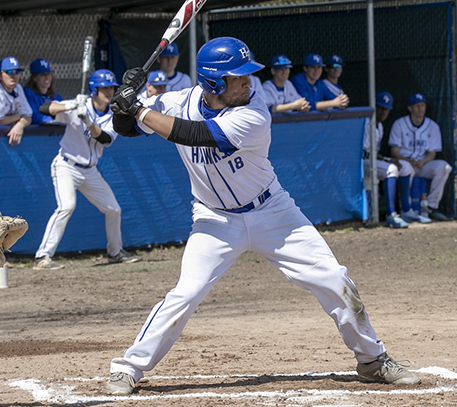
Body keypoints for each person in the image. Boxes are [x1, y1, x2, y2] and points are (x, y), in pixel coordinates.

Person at [105, 37, 420, 395]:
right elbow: (125, 128)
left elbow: (194, 134)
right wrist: (124, 103)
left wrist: (138, 107)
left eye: (247, 75)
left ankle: (372, 359)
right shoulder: (177, 101)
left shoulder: (255, 112)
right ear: (212, 83)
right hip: (215, 220)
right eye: (237, 78)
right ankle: (128, 368)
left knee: (334, 279)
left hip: (274, 212)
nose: (248, 82)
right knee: (186, 292)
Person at [33, 69, 138, 270]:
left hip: (90, 171)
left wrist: (88, 122)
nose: (108, 92)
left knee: (113, 209)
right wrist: (70, 105)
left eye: (111, 87)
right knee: (66, 207)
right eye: (104, 88)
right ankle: (42, 257)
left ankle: (115, 253)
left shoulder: (113, 115)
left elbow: (105, 139)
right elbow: (44, 109)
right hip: (66, 165)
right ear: (94, 89)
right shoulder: (78, 106)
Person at [389, 92, 452, 222]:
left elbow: (432, 153)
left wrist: (423, 161)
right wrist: (408, 161)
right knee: (405, 167)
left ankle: (431, 206)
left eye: (423, 105)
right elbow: (394, 151)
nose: (421, 109)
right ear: (409, 108)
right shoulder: (399, 124)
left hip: (422, 164)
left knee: (444, 167)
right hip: (405, 163)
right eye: (417, 106)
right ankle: (405, 208)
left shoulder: (433, 126)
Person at [363, 92, 410, 228]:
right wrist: (387, 159)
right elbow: (365, 152)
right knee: (391, 170)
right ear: (375, 107)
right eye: (380, 108)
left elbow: (374, 153)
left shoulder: (380, 127)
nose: (383, 112)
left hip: (370, 161)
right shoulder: (367, 122)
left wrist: (386, 159)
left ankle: (407, 209)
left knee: (403, 167)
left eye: (386, 109)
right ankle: (391, 214)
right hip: (361, 161)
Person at [0, 56, 33, 146]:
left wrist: (20, 126)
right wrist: (19, 116)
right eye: (9, 72)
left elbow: (28, 117)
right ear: (0, 75)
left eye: (17, 72)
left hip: (9, 135)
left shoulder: (18, 88)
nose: (13, 76)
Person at [23, 58, 63, 124]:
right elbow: (34, 117)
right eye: (43, 74)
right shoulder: (28, 94)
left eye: (48, 74)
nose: (47, 77)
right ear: (34, 78)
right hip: (36, 132)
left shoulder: (55, 96)